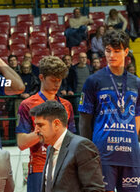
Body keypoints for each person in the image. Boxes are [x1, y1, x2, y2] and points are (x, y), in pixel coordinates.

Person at [79, 30, 140, 192]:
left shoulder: (136, 83)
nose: (111, 55)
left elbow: (138, 117)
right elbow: (84, 120)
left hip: (130, 155)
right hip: (103, 154)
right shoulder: (93, 81)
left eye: (117, 51)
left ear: (126, 52)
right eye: (108, 51)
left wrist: (132, 142)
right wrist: (87, 151)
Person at [16, 56, 76, 192]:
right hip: (39, 167)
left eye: (59, 80)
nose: (57, 84)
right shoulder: (27, 105)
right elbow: (21, 143)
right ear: (41, 77)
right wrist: (44, 130)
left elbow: (72, 140)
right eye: (53, 80)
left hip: (63, 167)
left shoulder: (66, 105)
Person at [31, 100, 105, 192]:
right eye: (35, 125)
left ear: (56, 124)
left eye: (40, 125)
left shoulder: (81, 146)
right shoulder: (50, 148)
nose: (36, 130)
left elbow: (95, 189)